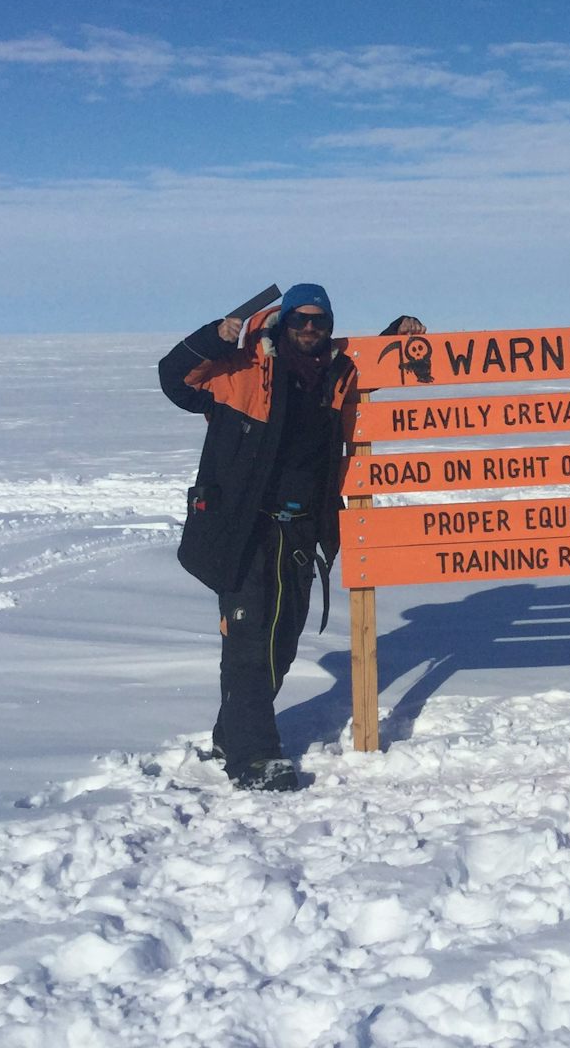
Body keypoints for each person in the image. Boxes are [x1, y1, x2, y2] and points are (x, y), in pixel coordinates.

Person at [158, 284, 424, 790]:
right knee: (249, 642)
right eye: (299, 319)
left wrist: (397, 334)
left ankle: (231, 733)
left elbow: (373, 372)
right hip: (243, 529)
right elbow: (173, 377)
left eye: (318, 321)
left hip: (301, 529)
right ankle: (254, 757)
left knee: (281, 641)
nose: (308, 328)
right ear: (282, 323)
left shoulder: (336, 377)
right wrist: (213, 338)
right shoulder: (238, 373)